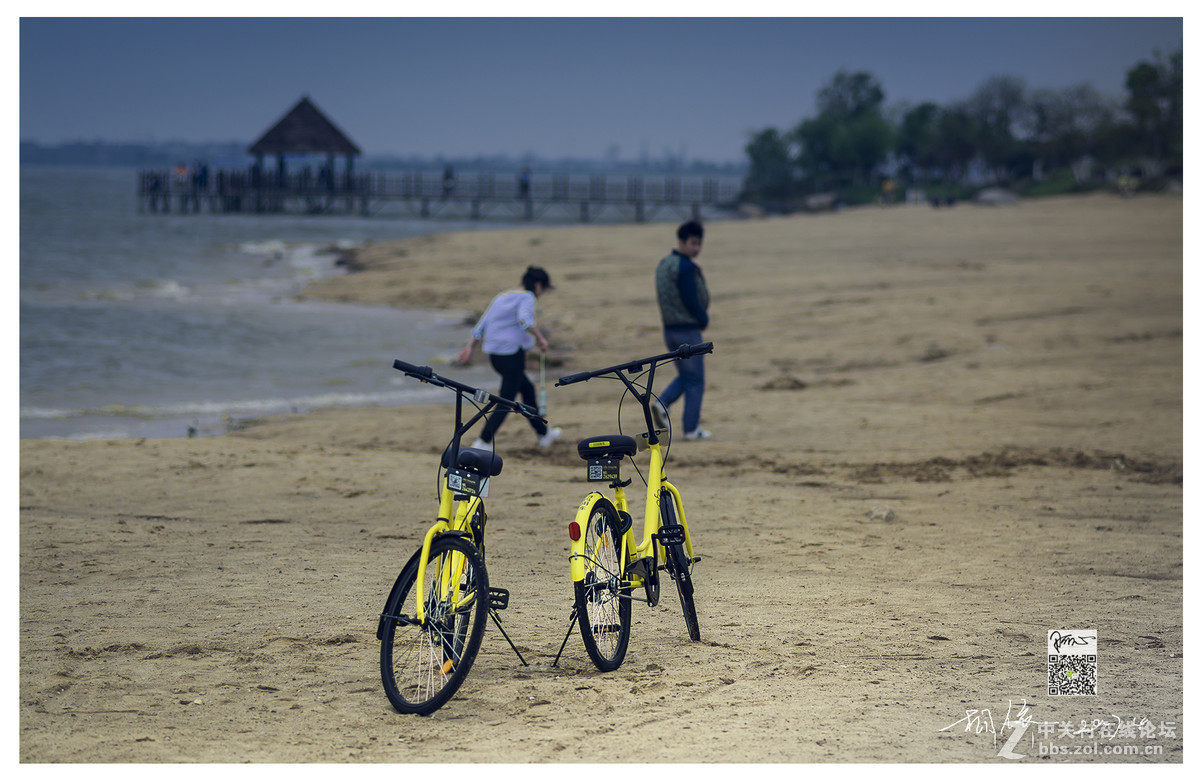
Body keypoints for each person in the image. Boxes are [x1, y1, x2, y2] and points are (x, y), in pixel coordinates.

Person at [458, 266, 562, 451]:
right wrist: (541, 339)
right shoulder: (527, 297)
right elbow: (525, 321)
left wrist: (470, 347)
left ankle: (543, 433)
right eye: (544, 290)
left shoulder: (502, 296)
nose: (542, 294)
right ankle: (483, 441)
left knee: (527, 391)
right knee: (506, 400)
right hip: (512, 356)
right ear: (538, 285)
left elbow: (482, 323)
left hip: (496, 357)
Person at [653, 220, 711, 440]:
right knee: (695, 380)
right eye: (693, 243)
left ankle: (662, 405)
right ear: (682, 241)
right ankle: (690, 428)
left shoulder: (664, 264)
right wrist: (702, 318)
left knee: (687, 376)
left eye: (699, 244)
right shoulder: (685, 267)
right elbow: (690, 299)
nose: (697, 248)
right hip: (687, 329)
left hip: (669, 330)